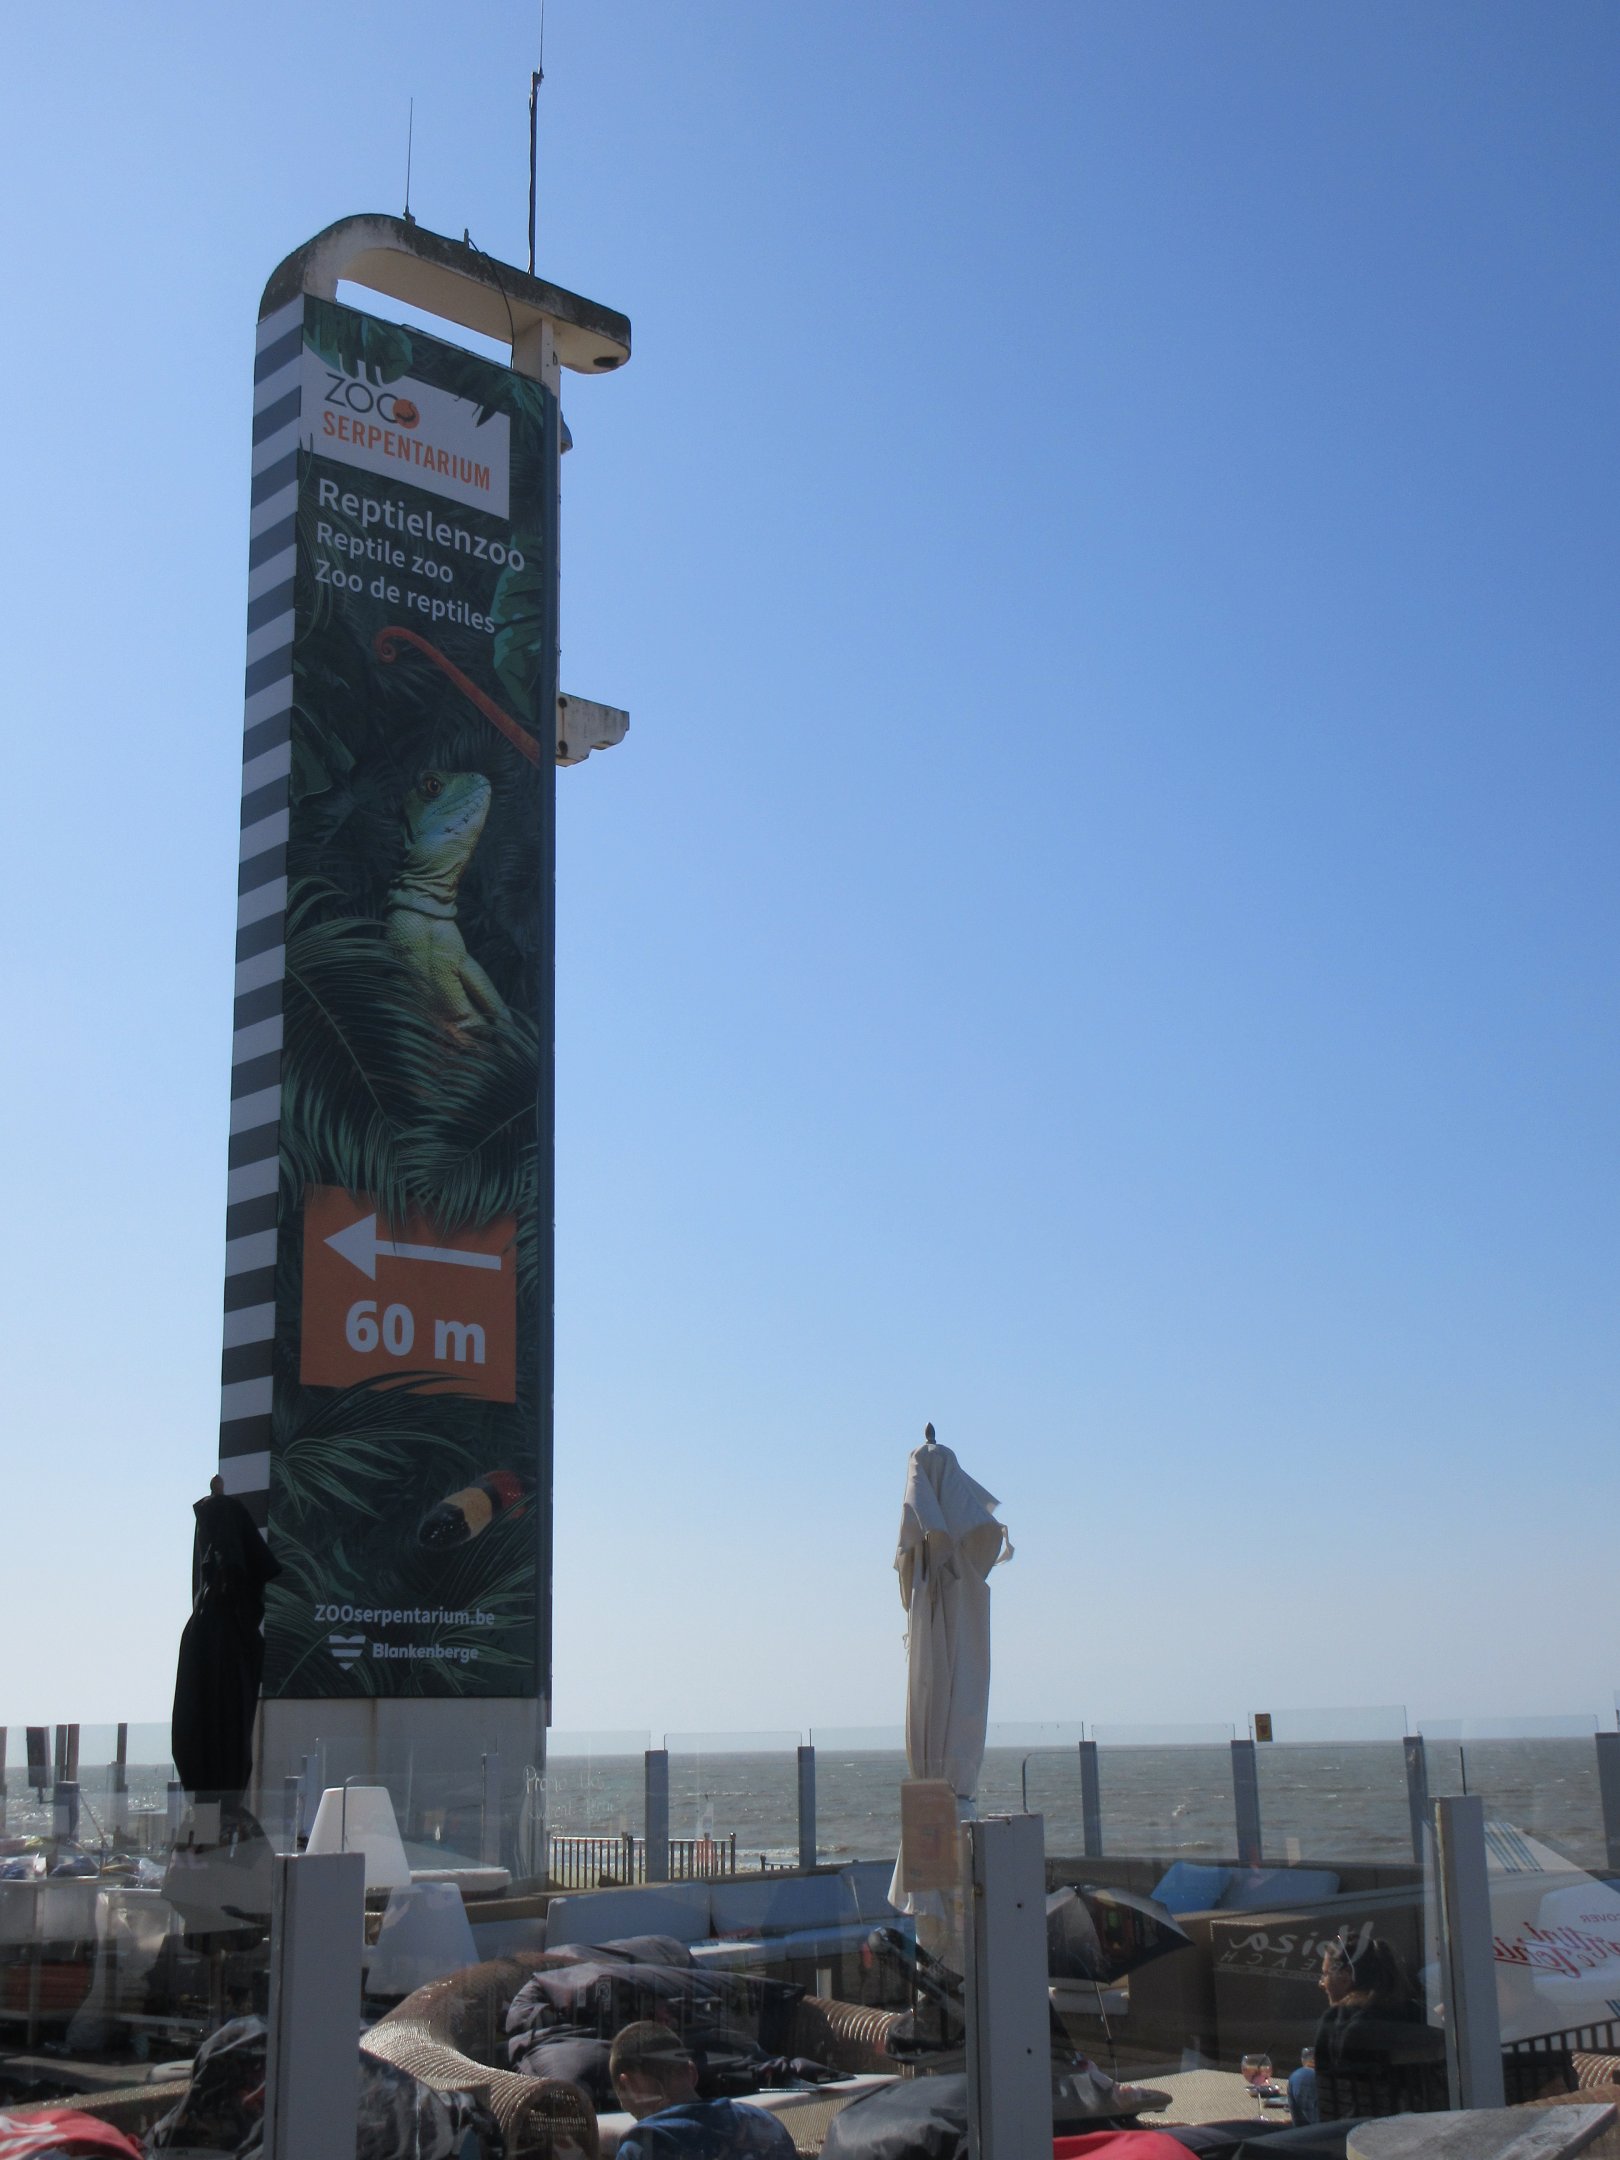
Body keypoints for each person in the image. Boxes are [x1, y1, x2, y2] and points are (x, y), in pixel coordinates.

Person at [171, 1475, 282, 1803]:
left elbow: (190, 1730)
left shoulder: (220, 1626)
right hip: (217, 1791)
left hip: (218, 1791)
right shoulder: (221, 1625)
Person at [610, 2023, 796, 2160]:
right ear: (692, 2073)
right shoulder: (767, 2124)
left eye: (623, 2100)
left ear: (628, 2085)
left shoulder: (644, 2146)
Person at [1289, 1934, 1422, 2125]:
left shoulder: (1340, 2022)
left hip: (1352, 2131)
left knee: (1300, 2078)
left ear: (1345, 1977)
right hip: (1410, 2125)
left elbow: (1332, 2102)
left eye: (1325, 1974)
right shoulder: (1414, 2012)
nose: (1322, 1984)